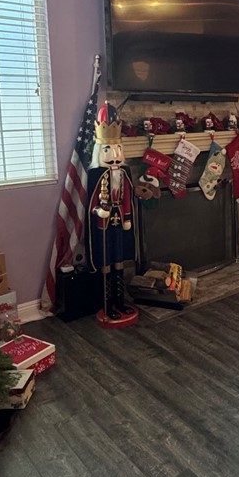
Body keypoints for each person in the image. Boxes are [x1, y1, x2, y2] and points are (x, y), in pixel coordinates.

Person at [86, 102, 139, 327]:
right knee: (106, 260)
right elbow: (90, 202)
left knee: (119, 259)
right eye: (109, 150)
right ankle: (107, 303)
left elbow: (127, 197)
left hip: (119, 222)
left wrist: (127, 217)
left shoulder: (123, 172)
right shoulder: (96, 174)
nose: (115, 155)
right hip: (103, 224)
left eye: (117, 149)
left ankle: (120, 300)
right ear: (101, 151)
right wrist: (99, 210)